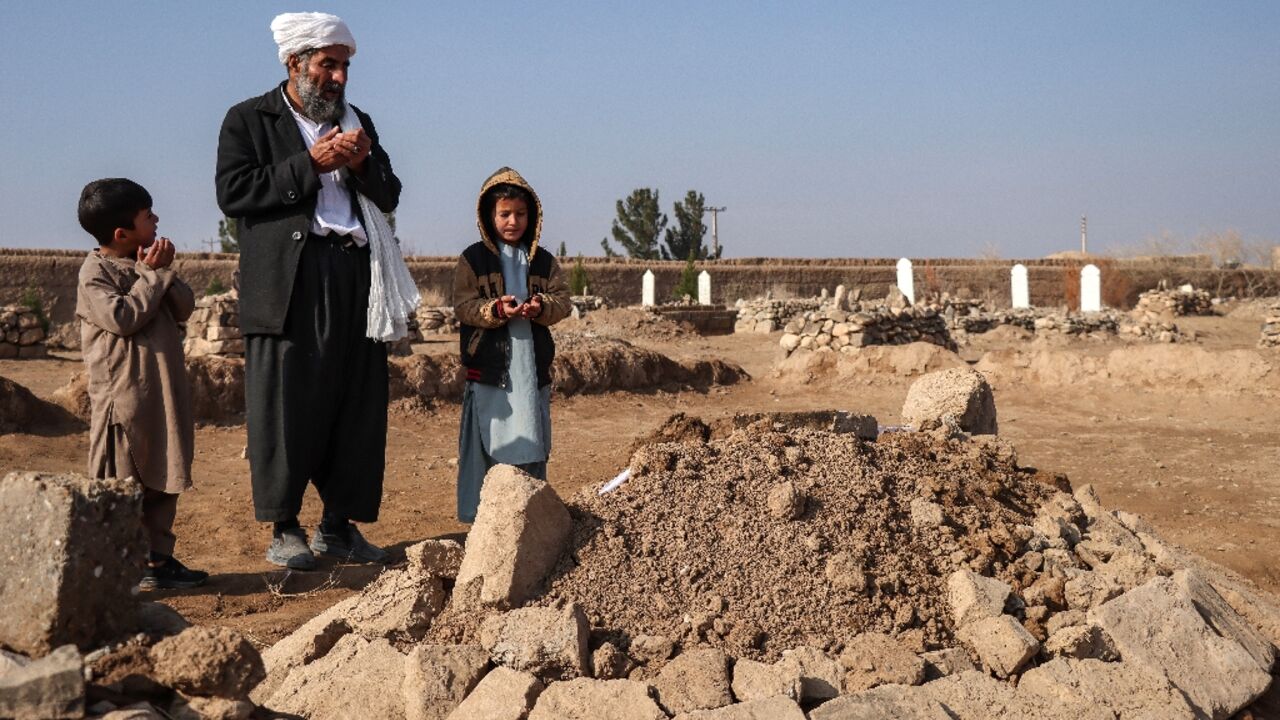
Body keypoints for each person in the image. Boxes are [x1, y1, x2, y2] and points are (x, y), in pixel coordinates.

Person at [215, 12, 415, 569]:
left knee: (355, 403)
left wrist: (361, 162)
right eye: (328, 65)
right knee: (288, 405)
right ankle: (285, 528)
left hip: (355, 276)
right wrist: (310, 163)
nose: (339, 79)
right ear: (295, 62)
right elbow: (234, 192)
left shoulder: (358, 121)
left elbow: (390, 193)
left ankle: (338, 527)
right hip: (290, 282)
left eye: (345, 66)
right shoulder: (248, 120)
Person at [75, 178, 208, 589]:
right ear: (122, 232)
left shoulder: (144, 262)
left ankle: (157, 561)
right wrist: (150, 274)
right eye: (148, 216)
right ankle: (118, 569)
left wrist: (162, 270)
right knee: (124, 485)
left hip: (162, 394)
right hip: (124, 401)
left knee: (164, 473)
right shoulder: (94, 273)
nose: (156, 220)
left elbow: (184, 308)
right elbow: (123, 317)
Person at [453, 168, 572, 522]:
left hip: (530, 371)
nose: (512, 221)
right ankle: (484, 519)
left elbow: (562, 301)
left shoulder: (544, 261)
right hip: (490, 372)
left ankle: (529, 515)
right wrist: (494, 310)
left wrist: (541, 308)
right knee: (488, 441)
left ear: (531, 216)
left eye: (520, 214)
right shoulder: (472, 260)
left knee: (532, 437)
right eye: (504, 213)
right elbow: (462, 306)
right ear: (489, 216)